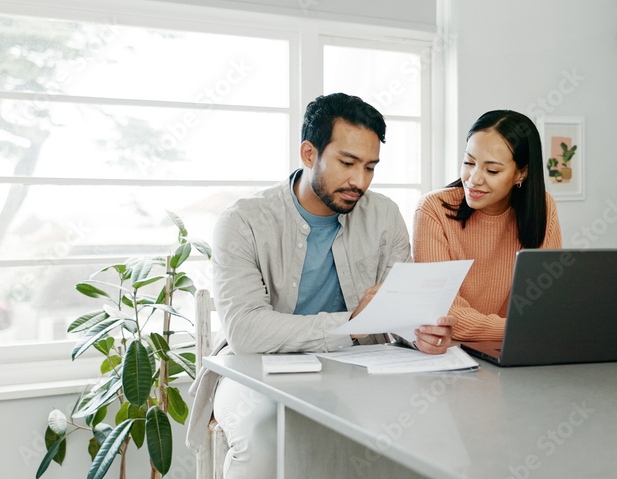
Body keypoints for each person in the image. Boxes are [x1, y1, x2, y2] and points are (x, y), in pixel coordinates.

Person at [186, 93, 456, 479]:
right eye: (347, 163)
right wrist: (352, 325)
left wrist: (420, 333)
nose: (359, 181)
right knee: (264, 441)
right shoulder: (243, 221)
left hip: (358, 368)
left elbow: (398, 311)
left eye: (370, 167)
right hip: (255, 368)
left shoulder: (384, 215)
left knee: (420, 429)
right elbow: (246, 331)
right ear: (309, 153)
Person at [412, 110, 562, 342]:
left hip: (522, 349)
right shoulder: (433, 209)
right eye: (468, 162)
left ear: (521, 173)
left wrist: (534, 327)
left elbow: (546, 303)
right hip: (453, 352)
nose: (473, 179)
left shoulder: (543, 207)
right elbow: (442, 311)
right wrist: (521, 328)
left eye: (492, 170)